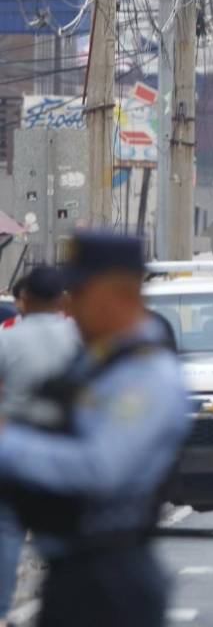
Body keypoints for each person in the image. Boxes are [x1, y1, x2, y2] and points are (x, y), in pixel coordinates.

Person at [0, 232, 191, 627]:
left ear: (116, 293)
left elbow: (100, 466)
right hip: (76, 568)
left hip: (110, 578)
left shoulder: (145, 375)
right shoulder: (101, 362)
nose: (70, 306)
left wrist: (8, 442)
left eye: (80, 293)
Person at [0, 267, 80, 625]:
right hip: (68, 447)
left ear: (26, 299)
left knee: (7, 529)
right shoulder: (80, 337)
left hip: (16, 445)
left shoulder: (7, 339)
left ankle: (2, 610)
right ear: (62, 300)